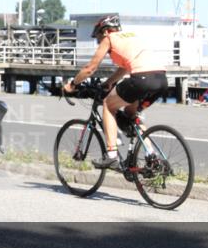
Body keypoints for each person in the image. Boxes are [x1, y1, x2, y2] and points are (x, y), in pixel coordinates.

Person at [63, 15, 167, 167]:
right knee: (131, 114)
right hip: (161, 80)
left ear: (105, 31)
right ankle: (152, 156)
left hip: (141, 79)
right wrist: (108, 83)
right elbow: (124, 68)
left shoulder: (109, 38)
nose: (98, 41)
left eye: (98, 37)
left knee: (108, 105)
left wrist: (72, 85)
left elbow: (90, 69)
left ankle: (111, 155)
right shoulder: (131, 37)